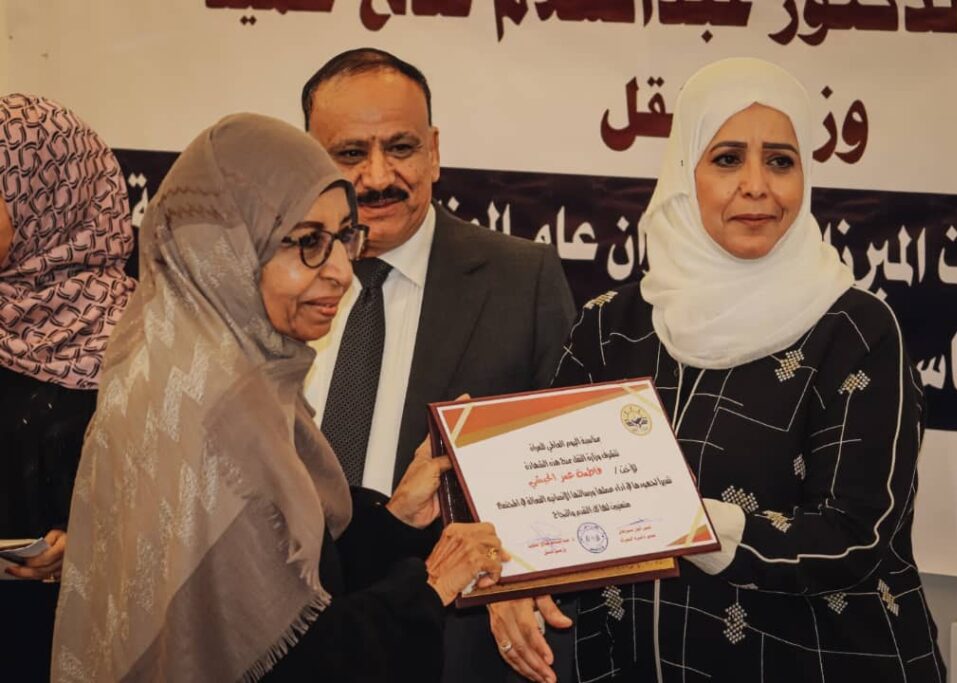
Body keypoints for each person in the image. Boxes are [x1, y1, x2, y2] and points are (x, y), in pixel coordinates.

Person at [488, 58, 945, 682]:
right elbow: (549, 493)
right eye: (727, 159)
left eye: (780, 161)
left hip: (820, 662)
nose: (756, 186)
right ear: (684, 174)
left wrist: (688, 524)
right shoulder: (612, 325)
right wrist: (513, 569)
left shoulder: (856, 330)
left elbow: (854, 536)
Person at [51, 113, 507, 683]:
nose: (342, 272)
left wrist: (397, 517)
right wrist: (432, 586)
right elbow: (288, 661)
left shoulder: (220, 379)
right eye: (308, 242)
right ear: (224, 252)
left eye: (344, 237)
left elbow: (298, 573)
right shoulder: (215, 416)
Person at [300, 47, 578, 681]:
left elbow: (570, 469)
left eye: (401, 147)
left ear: (434, 151)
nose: (378, 177)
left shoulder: (520, 280)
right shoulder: (273, 283)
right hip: (289, 639)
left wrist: (517, 571)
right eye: (350, 153)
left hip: (452, 650)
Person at [0, 94, 136, 682]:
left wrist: (87, 546)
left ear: (49, 196)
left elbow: (173, 503)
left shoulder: (139, 338)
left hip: (79, 638)